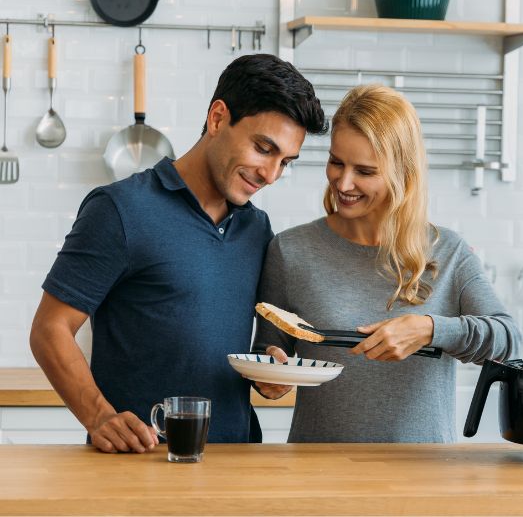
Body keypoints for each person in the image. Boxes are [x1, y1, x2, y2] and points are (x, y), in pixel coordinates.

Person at [29, 54, 327, 453]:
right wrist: (99, 416)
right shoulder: (120, 210)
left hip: (237, 460)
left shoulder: (257, 229)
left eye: (285, 161)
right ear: (218, 118)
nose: (271, 174)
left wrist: (268, 368)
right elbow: (50, 329)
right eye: (263, 148)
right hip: (140, 461)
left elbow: (239, 345)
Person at [251, 84, 521, 443]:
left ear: (402, 173)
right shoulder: (291, 250)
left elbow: (508, 340)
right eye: (336, 162)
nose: (343, 182)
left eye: (364, 171)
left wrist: (430, 329)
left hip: (422, 480)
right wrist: (269, 374)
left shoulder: (448, 252)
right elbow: (267, 353)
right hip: (317, 475)